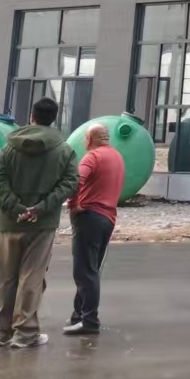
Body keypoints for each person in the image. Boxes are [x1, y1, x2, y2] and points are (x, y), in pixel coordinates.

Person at [0, 96, 79, 349]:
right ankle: (25, 333)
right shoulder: (64, 150)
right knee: (32, 277)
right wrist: (41, 208)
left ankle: (1, 332)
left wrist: (17, 208)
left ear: (31, 117)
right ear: (54, 119)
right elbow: (71, 182)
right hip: (42, 224)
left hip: (10, 222)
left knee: (4, 278)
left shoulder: (9, 148)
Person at [65, 123, 125, 336]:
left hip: (89, 216)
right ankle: (78, 315)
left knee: (84, 271)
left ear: (90, 139)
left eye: (85, 137)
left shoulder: (92, 157)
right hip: (108, 218)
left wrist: (74, 204)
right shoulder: (117, 156)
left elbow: (76, 180)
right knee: (91, 269)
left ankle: (89, 321)